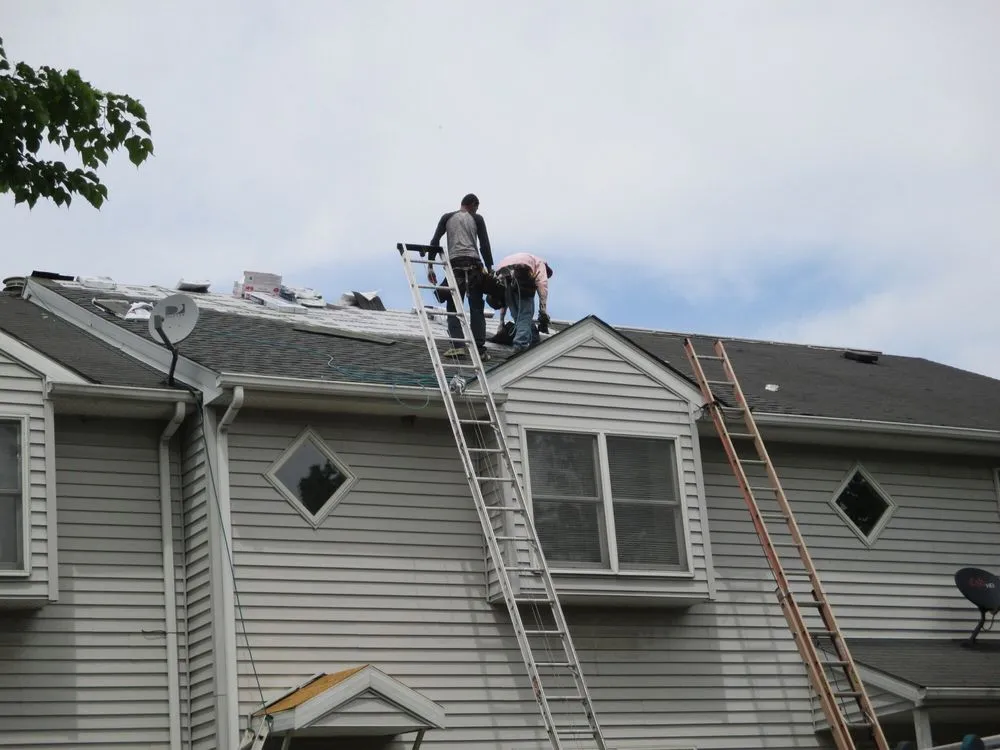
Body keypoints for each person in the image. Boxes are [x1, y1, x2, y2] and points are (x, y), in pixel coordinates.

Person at [427, 193, 493, 359]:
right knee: (476, 307)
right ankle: (479, 347)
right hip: (475, 267)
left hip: (455, 266)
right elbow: (484, 245)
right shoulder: (477, 218)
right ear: (472, 204)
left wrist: (430, 266)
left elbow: (434, 242)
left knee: (453, 306)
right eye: (476, 207)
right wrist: (490, 268)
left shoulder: (447, 217)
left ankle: (458, 346)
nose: (476, 210)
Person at [493, 252, 552, 353]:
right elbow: (542, 286)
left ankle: (533, 338)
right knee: (525, 315)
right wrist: (543, 309)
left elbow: (504, 300)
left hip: (505, 278)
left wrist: (501, 321)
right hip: (522, 278)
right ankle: (520, 345)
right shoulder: (540, 263)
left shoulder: (518, 258)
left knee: (518, 316)